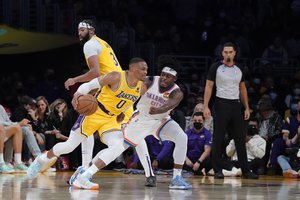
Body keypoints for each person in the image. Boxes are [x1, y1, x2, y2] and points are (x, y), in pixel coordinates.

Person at [27, 58, 152, 188]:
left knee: (118, 146)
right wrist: (78, 94)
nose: (146, 72)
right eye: (143, 69)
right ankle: (40, 160)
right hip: (94, 113)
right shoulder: (116, 76)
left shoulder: (142, 87)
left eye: (147, 69)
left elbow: (130, 100)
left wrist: (122, 111)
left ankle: (84, 175)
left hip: (110, 119)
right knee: (69, 146)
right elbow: (90, 85)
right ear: (132, 69)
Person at [70, 65, 193, 190]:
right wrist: (121, 110)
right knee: (117, 148)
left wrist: (159, 110)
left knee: (182, 137)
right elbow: (129, 92)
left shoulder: (177, 92)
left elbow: (170, 104)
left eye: (169, 76)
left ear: (175, 79)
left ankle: (176, 178)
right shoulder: (149, 81)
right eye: (163, 74)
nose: (164, 78)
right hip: (140, 120)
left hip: (161, 121)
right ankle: (86, 173)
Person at [64, 19, 133, 170]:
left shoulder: (89, 45)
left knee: (87, 126)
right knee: (125, 141)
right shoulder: (103, 43)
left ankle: (84, 168)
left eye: (82, 30)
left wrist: (74, 80)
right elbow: (101, 74)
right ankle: (86, 168)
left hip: (112, 92)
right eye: (78, 31)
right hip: (121, 94)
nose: (80, 33)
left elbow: (95, 72)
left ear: (92, 30)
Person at [203, 42, 258, 179]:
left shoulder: (239, 68)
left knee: (240, 138)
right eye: (225, 52)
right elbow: (209, 87)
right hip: (220, 104)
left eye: (230, 52)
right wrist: (205, 106)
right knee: (218, 138)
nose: (228, 54)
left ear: (234, 53)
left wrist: (246, 107)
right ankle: (217, 169)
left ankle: (246, 171)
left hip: (235, 105)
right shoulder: (215, 67)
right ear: (222, 53)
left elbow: (243, 89)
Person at [0, 105, 28, 173]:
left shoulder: (0, 107)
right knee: (0, 127)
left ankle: (17, 162)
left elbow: (8, 121)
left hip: (2, 132)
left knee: (17, 128)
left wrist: (17, 124)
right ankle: (1, 163)